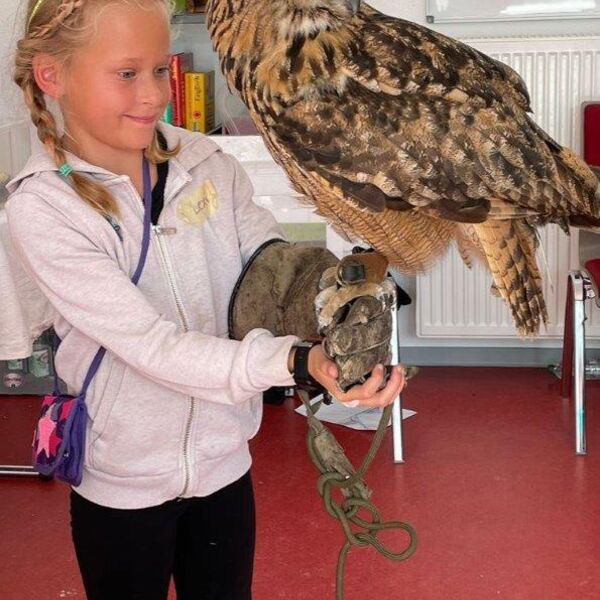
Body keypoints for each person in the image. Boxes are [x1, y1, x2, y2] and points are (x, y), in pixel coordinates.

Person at [6, 1, 406, 599]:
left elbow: (269, 270)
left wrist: (334, 308)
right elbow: (154, 347)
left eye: (160, 71)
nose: (153, 95)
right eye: (126, 73)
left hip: (224, 466)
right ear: (52, 75)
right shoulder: (43, 208)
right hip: (123, 483)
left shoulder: (207, 163)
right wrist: (295, 362)